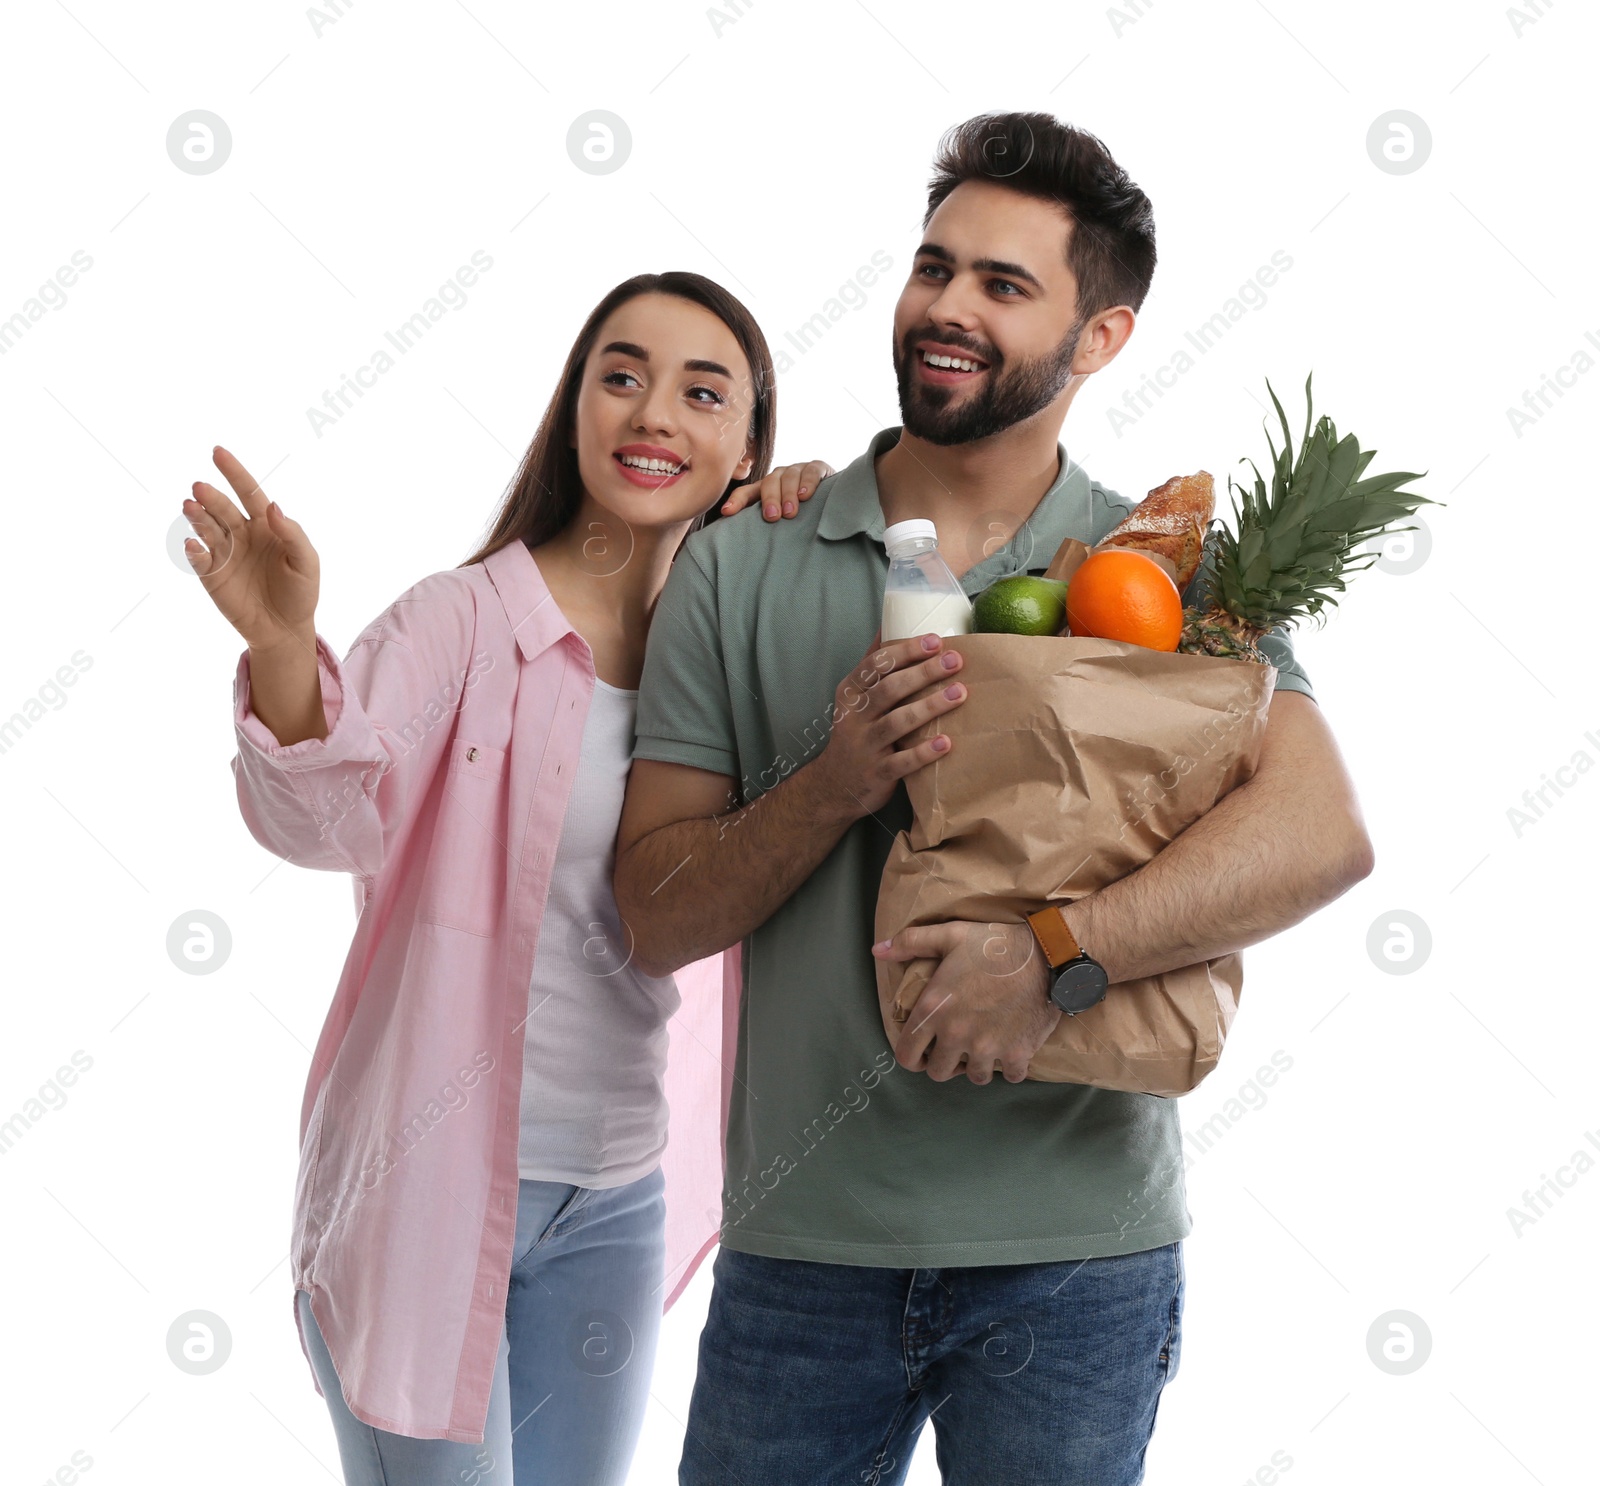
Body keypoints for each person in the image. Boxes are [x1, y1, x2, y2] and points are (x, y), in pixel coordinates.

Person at [614, 114, 1375, 1484]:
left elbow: (1322, 831)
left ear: (1103, 336)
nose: (946, 308)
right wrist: (834, 783)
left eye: (1003, 285)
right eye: (933, 266)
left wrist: (1058, 956)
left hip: (1077, 1263)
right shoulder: (743, 563)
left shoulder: (1162, 574)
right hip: (805, 1255)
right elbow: (653, 916)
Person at [183, 270, 831, 1486]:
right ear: (574, 406)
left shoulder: (736, 655)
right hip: (425, 1186)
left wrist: (816, 510)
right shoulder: (464, 624)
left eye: (704, 392)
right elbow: (321, 819)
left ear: (747, 442)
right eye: (621, 375)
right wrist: (281, 649)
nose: (653, 414)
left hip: (616, 1195)